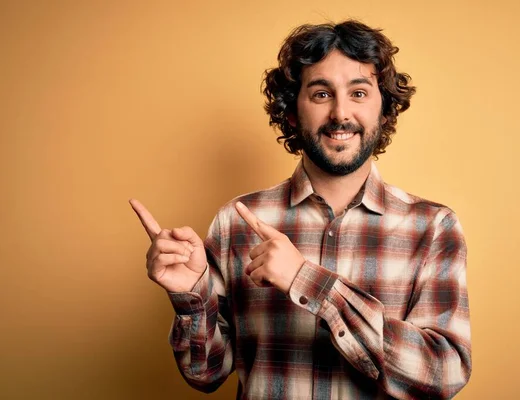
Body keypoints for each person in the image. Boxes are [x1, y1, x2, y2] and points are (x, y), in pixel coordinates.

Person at [130, 20, 471, 400]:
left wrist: (307, 281)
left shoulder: (433, 227)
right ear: (291, 111)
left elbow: (444, 374)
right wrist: (191, 298)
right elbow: (206, 375)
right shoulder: (235, 222)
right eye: (321, 94)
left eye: (358, 93)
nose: (341, 113)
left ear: (384, 110)